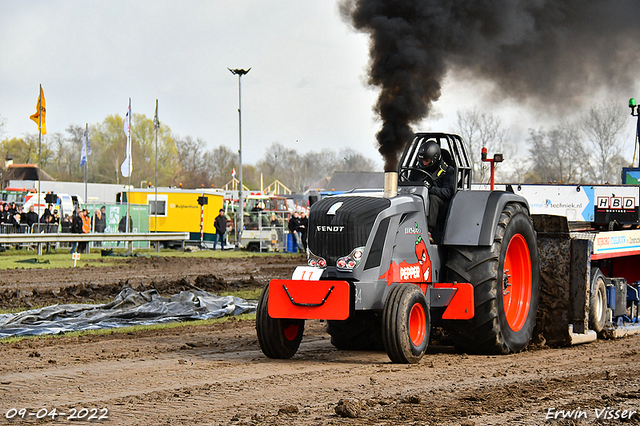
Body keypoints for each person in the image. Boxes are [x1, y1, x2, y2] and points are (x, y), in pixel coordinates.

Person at [416, 141, 456, 236]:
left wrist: (430, 189)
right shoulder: (417, 170)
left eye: (427, 161)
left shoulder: (448, 171)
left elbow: (448, 192)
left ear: (434, 159)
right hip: (420, 200)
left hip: (442, 207)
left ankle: (428, 231)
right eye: (422, 160)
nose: (424, 163)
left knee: (433, 198)